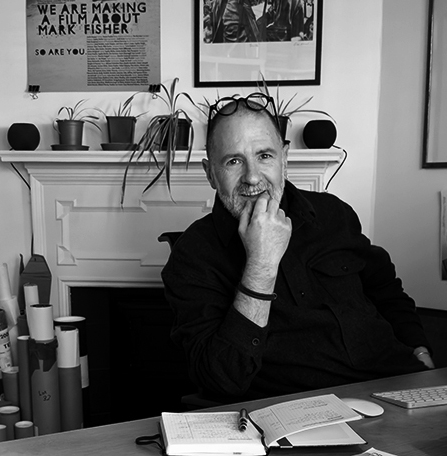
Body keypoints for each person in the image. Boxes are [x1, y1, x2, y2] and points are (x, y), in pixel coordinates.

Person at [162, 94, 433, 401]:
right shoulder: (193, 256)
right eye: (234, 161)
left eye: (264, 156)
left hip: (395, 386)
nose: (252, 177)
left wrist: (419, 348)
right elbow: (222, 378)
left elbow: (386, 291)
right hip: (293, 412)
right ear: (210, 173)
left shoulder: (333, 214)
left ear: (284, 158)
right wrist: (261, 263)